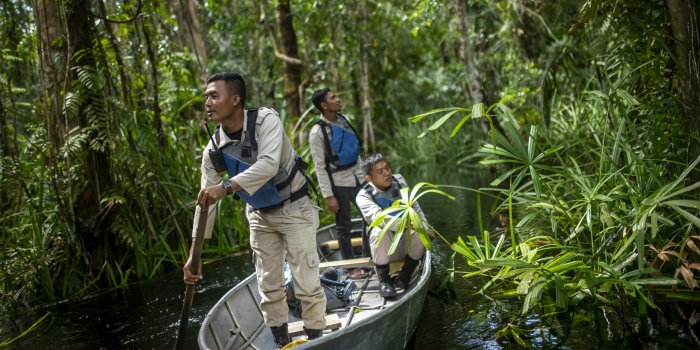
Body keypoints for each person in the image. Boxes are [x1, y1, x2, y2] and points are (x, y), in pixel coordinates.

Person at [183, 73, 326, 349]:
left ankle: (317, 339)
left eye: (214, 96)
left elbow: (269, 165)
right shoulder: (213, 150)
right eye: (206, 97)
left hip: (294, 206)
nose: (208, 103)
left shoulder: (265, 121)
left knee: (306, 281)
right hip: (260, 215)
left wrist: (225, 186)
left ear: (235, 99)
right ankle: (280, 341)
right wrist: (195, 254)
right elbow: (206, 203)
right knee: (269, 286)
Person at [355, 154, 434, 298]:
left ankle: (405, 274)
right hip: (385, 251)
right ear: (369, 179)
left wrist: (425, 227)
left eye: (387, 168)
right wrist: (410, 225)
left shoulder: (400, 180)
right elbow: (381, 219)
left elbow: (414, 206)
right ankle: (385, 281)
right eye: (380, 172)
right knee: (379, 231)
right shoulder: (363, 196)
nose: (387, 173)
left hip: (406, 244)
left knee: (422, 233)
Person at [309, 89, 368, 273]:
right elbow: (319, 166)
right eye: (333, 98)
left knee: (370, 218)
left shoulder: (344, 121)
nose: (338, 99)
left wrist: (365, 176)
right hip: (339, 183)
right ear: (324, 105)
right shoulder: (317, 132)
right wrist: (328, 196)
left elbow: (353, 151)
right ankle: (352, 268)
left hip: (359, 178)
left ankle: (368, 258)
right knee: (344, 227)